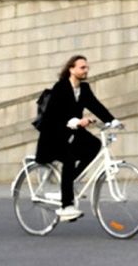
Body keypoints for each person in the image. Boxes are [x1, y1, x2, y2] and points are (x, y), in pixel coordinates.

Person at [34, 55, 117, 221]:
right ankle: (66, 206)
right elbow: (55, 115)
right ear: (71, 69)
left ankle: (71, 182)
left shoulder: (84, 89)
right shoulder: (60, 87)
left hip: (72, 134)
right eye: (82, 67)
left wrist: (112, 120)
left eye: (87, 67)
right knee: (69, 159)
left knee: (94, 144)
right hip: (53, 135)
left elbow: (96, 105)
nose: (86, 70)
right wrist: (77, 121)